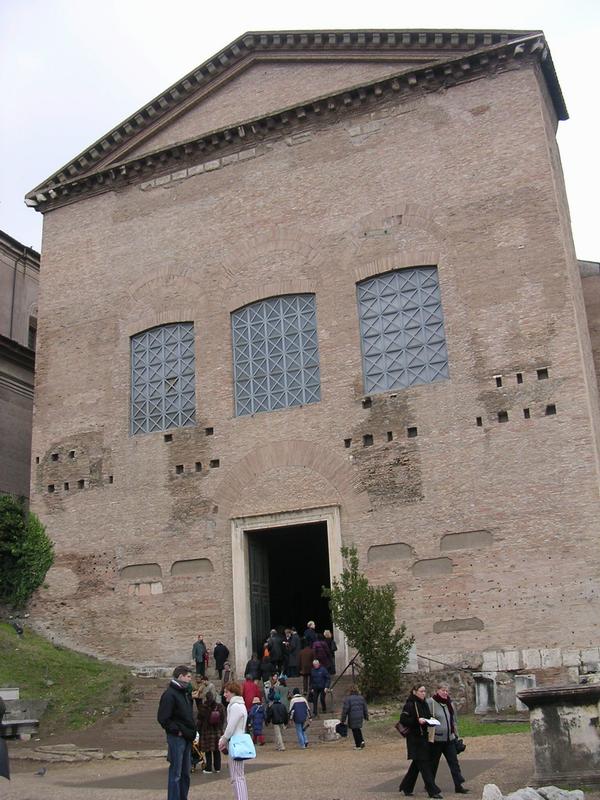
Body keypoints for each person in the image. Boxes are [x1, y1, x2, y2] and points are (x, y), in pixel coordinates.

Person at [157, 665, 196, 800]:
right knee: (176, 773)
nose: (191, 680)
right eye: (189, 677)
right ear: (181, 676)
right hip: (177, 737)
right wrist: (177, 731)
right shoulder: (170, 694)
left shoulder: (184, 693)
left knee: (185, 773)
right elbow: (163, 718)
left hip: (186, 736)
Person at [398, 685, 443, 799]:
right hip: (414, 739)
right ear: (414, 692)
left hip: (423, 738)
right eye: (421, 691)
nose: (423, 693)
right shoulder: (410, 704)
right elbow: (403, 720)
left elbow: (427, 716)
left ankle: (406, 786)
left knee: (416, 765)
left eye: (424, 691)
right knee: (424, 765)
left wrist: (430, 720)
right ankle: (432, 790)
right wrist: (417, 720)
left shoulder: (424, 704)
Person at [428, 683, 469, 794]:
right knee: (433, 764)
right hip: (436, 740)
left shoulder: (449, 703)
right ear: (437, 690)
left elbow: (453, 720)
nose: (445, 693)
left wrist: (456, 735)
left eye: (447, 691)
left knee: (454, 763)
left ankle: (458, 785)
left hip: (449, 739)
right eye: (443, 690)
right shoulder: (431, 702)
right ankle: (430, 785)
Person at [219, 681, 249, 800]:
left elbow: (230, 728)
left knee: (237, 776)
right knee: (238, 775)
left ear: (233, 692)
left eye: (227, 692)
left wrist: (223, 740)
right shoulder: (240, 705)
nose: (224, 694)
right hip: (238, 741)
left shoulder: (236, 706)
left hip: (236, 742)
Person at [196, 691, 225, 774]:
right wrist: (220, 728)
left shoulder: (203, 707)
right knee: (217, 750)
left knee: (208, 751)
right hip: (217, 731)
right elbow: (223, 718)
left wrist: (199, 730)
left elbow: (199, 720)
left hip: (206, 731)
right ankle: (217, 768)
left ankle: (208, 768)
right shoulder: (219, 706)